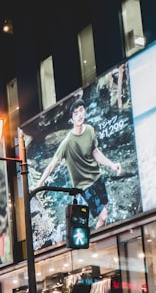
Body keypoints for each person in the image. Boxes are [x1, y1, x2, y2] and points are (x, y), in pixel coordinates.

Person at [34, 98, 122, 229]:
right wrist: (38, 186)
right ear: (71, 119)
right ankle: (96, 242)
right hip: (84, 186)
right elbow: (52, 165)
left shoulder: (90, 130)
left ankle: (99, 231)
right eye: (75, 113)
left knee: (105, 207)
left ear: (85, 111)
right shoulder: (67, 142)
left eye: (81, 111)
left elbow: (95, 152)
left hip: (97, 177)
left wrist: (112, 165)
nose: (80, 115)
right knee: (103, 216)